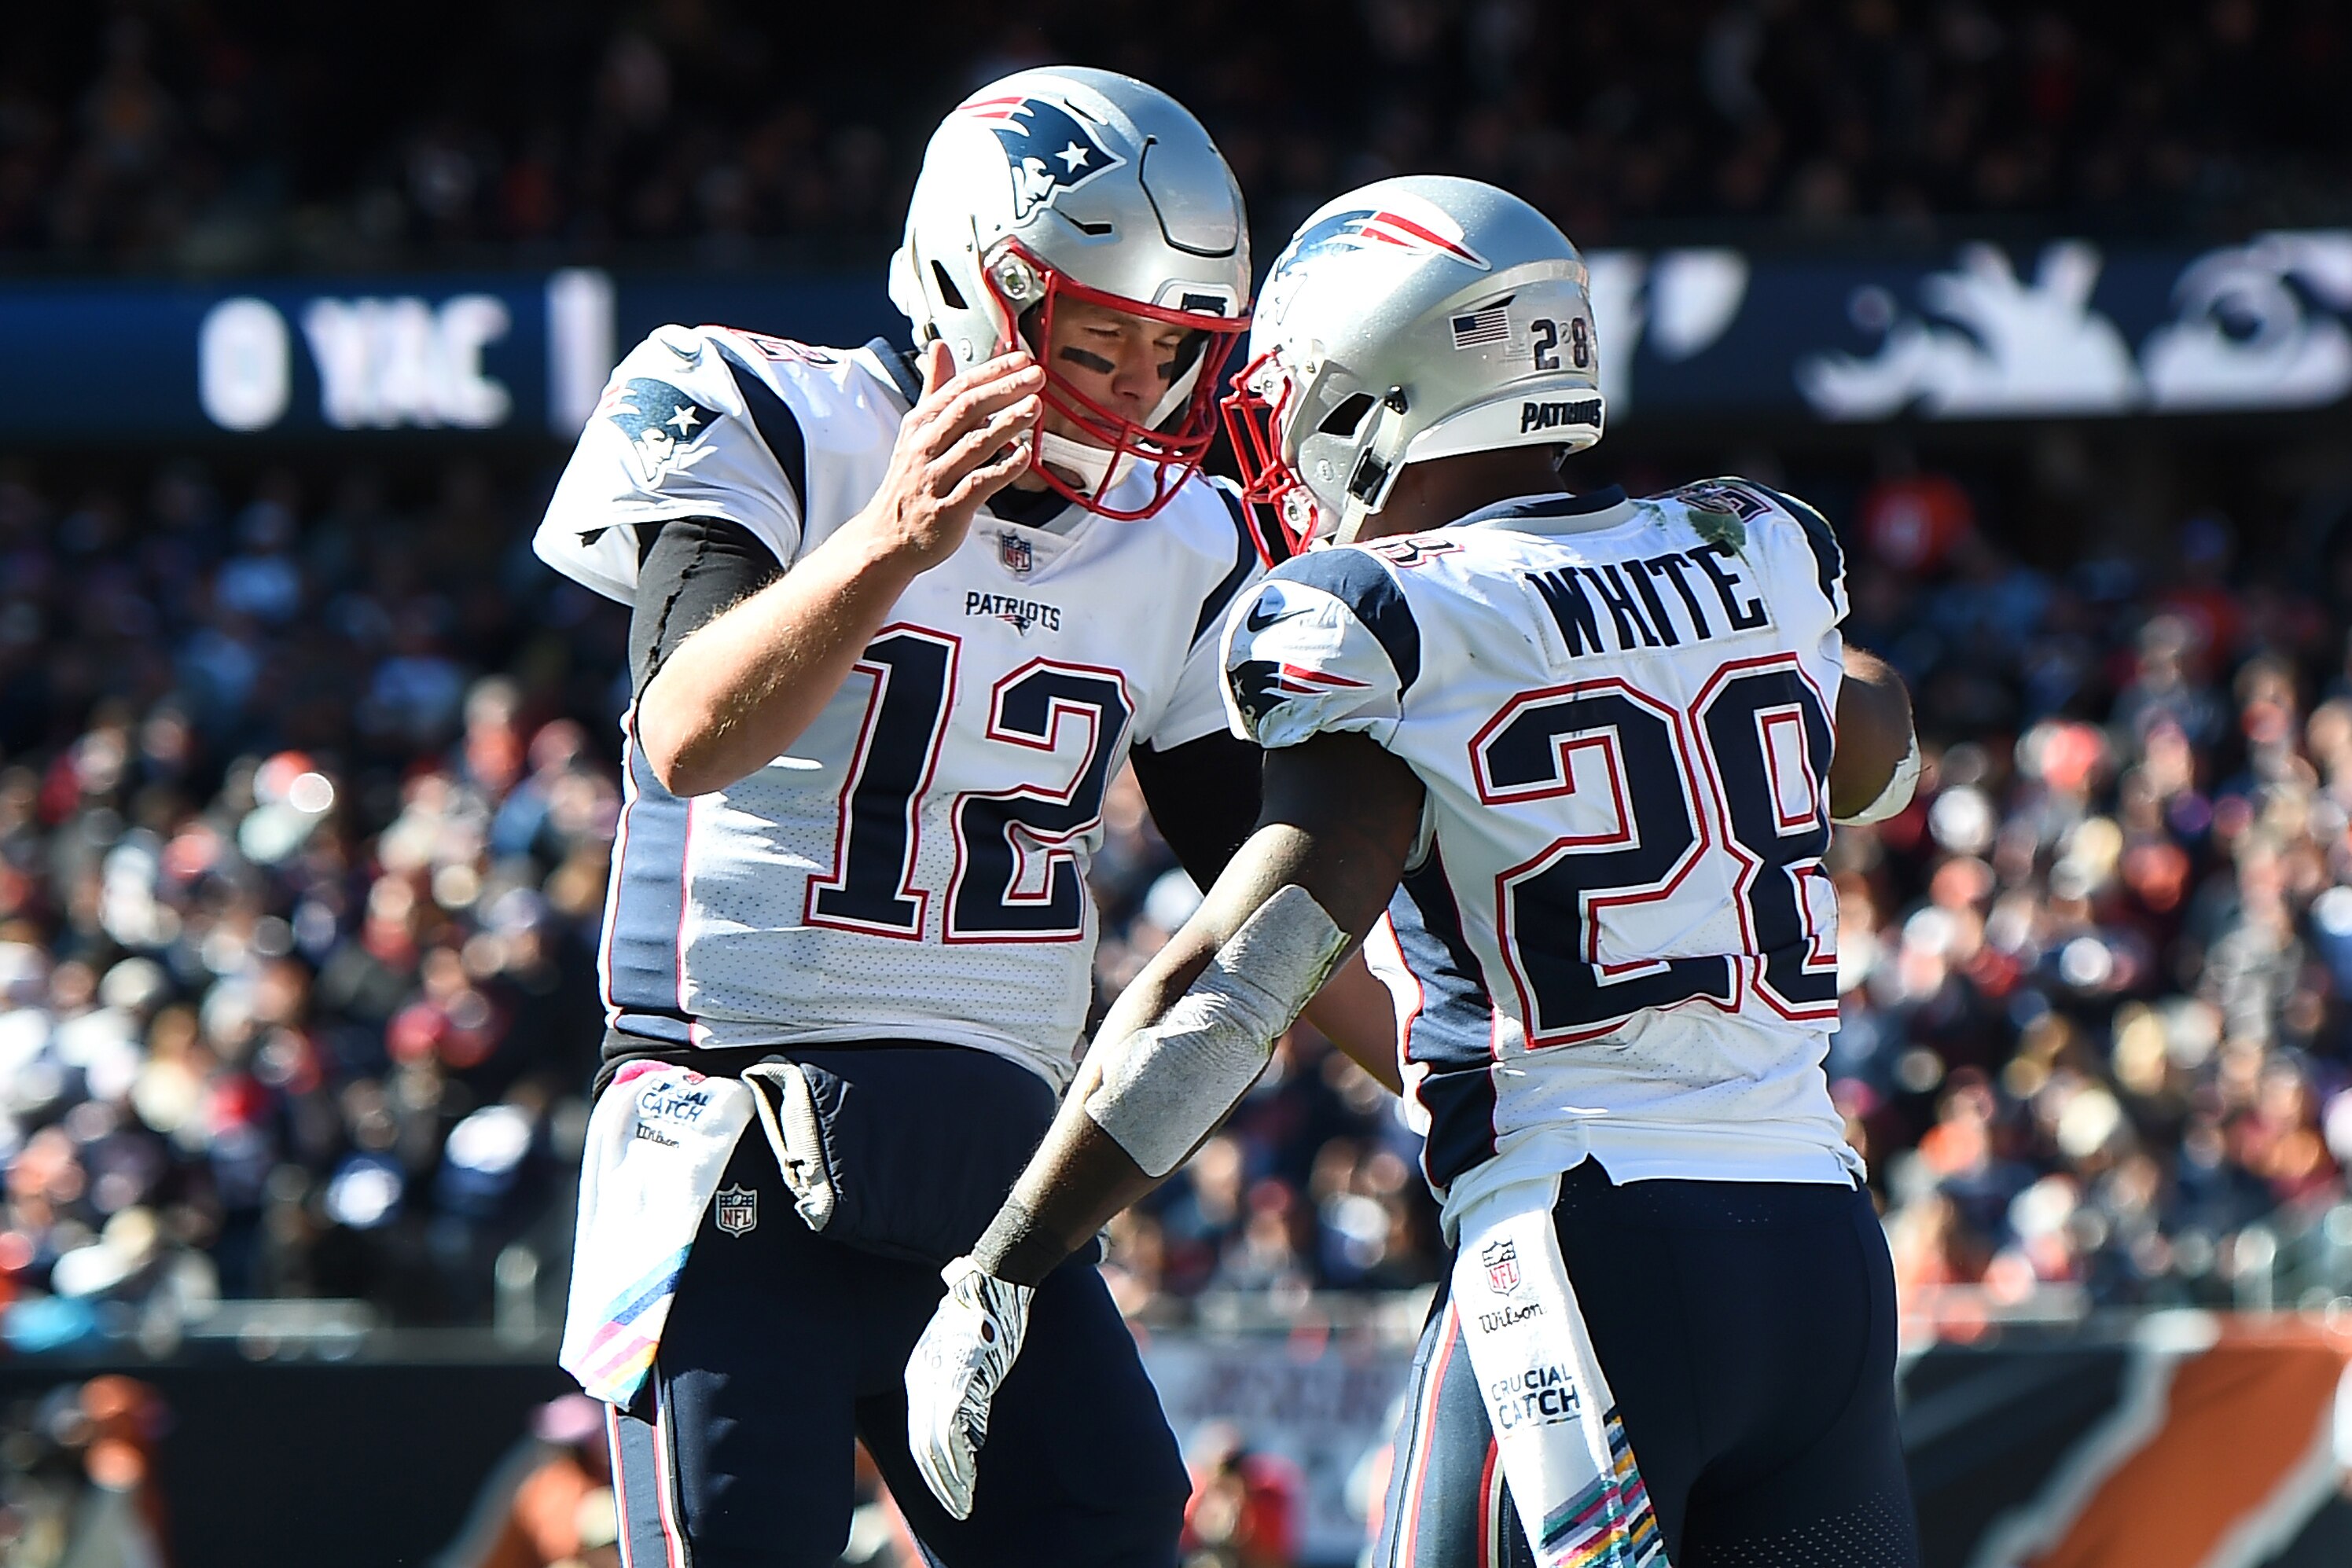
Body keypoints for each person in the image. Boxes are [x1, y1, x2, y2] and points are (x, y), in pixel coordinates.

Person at [904, 176, 1925, 1567]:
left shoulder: (1389, 614)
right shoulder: (1758, 547)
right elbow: (1876, 757)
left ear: (1368, 398)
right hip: (1822, 1254)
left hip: (1582, 1245)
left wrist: (1004, 1267)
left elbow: (1235, 984)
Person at [535, 68, 1384, 1568]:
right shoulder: (766, 410)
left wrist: (1463, 1080)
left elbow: (1273, 882)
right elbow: (685, 734)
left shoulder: (1192, 542)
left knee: (1117, 1525)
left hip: (998, 1184)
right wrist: (892, 541)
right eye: (1100, 336)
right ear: (970, 290)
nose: (1138, 389)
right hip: (726, 1132)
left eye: (1173, 350)